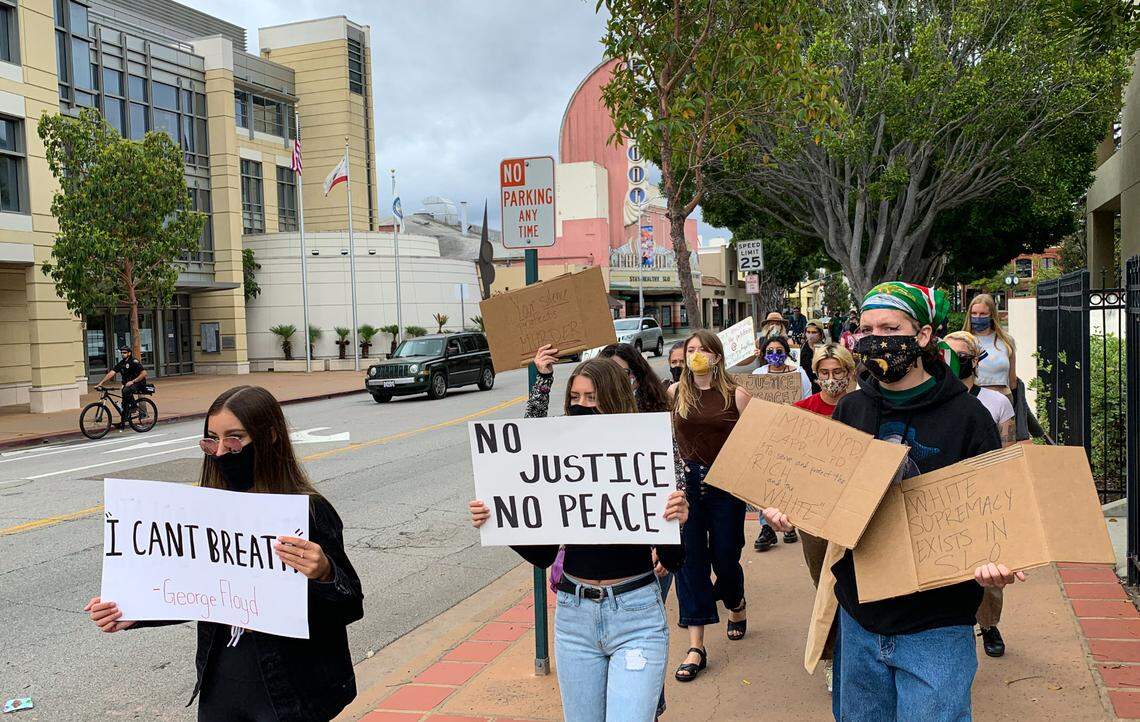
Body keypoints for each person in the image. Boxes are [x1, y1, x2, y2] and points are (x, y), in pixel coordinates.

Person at [766, 281, 1023, 722]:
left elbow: (994, 509)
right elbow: (828, 496)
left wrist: (994, 560)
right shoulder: (852, 410)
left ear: (922, 336)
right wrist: (792, 511)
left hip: (936, 625)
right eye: (866, 329)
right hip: (859, 619)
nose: (875, 338)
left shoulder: (968, 418)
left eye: (889, 326)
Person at [84, 385, 364, 721]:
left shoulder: (308, 512)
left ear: (269, 437)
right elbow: (197, 590)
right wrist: (132, 610)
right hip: (223, 683)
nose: (219, 451)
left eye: (233, 438)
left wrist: (324, 573)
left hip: (291, 687)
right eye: (210, 440)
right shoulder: (207, 509)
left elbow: (351, 604)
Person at [469, 348, 689, 722]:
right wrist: (498, 521)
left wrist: (679, 522)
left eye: (593, 398)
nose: (583, 406)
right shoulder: (564, 455)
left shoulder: (650, 446)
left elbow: (673, 560)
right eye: (575, 398)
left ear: (615, 399)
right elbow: (543, 555)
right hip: (574, 618)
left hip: (636, 613)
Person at [669, 330, 753, 680]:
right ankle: (696, 644)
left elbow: (753, 445)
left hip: (725, 487)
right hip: (687, 488)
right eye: (691, 350)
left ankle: (736, 602)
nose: (697, 355)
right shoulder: (675, 394)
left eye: (704, 350)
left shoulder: (738, 395)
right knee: (690, 563)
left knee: (725, 557)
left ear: (717, 356)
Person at [944, 330, 1017, 658]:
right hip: (944, 496)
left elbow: (1008, 450)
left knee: (988, 565)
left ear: (975, 360)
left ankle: (988, 624)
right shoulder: (936, 401)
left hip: (984, 495)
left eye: (961, 355)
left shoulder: (996, 402)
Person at [790, 343, 857, 692]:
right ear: (815, 375)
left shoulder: (864, 408)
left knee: (856, 585)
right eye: (824, 373)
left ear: (850, 371)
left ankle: (859, 654)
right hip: (813, 514)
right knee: (825, 585)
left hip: (856, 512)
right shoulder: (802, 411)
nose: (831, 379)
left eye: (838, 372)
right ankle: (832, 657)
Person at [749, 335, 809, 552]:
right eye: (770, 350)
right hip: (765, 435)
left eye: (779, 350)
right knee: (765, 481)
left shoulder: (798, 374)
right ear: (764, 354)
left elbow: (807, 401)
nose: (775, 355)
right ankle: (766, 527)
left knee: (788, 480)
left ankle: (789, 523)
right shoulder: (757, 375)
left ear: (787, 353)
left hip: (792, 435)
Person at [963, 293, 1018, 397]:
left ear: (992, 315)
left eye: (983, 314)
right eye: (974, 313)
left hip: (1004, 399)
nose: (977, 317)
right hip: (974, 400)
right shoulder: (963, 341)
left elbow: (1012, 380)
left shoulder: (1006, 341)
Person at [600, 342, 670, 413]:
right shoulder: (593, 407)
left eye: (623, 372)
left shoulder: (655, 408)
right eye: (609, 373)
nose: (615, 379)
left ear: (637, 373)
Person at [98, 345, 147, 420]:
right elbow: (112, 372)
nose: (122, 354)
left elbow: (144, 373)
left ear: (129, 353)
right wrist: (101, 383)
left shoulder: (134, 361)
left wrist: (133, 381)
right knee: (124, 402)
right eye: (121, 353)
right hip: (127, 384)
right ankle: (124, 420)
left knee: (126, 390)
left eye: (124, 352)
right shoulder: (121, 363)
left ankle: (134, 407)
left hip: (138, 383)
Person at [797, 322, 826, 391]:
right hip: (806, 384)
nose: (810, 335)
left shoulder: (825, 349)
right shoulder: (801, 349)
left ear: (820, 334)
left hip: (822, 385)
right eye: (808, 332)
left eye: (814, 332)